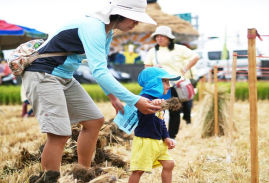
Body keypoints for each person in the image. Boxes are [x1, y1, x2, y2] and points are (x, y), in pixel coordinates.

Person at [20, 0, 160, 180]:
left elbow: (102, 68)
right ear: (119, 14)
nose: (136, 23)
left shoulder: (106, 32)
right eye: (134, 18)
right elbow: (99, 72)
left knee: (94, 121)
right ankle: (49, 179)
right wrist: (134, 100)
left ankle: (83, 173)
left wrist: (113, 97)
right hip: (43, 75)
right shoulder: (93, 27)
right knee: (59, 134)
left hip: (64, 77)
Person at [144, 26, 200, 141]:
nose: (159, 38)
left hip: (176, 84)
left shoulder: (179, 49)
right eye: (157, 36)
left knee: (175, 110)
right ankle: (158, 134)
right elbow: (147, 66)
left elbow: (196, 57)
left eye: (162, 36)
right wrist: (154, 68)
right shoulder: (152, 51)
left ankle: (171, 136)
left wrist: (185, 69)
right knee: (158, 110)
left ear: (169, 38)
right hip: (159, 86)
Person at [128, 67, 180, 183]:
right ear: (154, 83)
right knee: (138, 171)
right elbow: (142, 115)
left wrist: (166, 137)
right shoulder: (143, 100)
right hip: (145, 140)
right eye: (165, 81)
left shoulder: (160, 101)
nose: (169, 85)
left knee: (169, 164)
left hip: (158, 141)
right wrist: (152, 104)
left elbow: (161, 122)